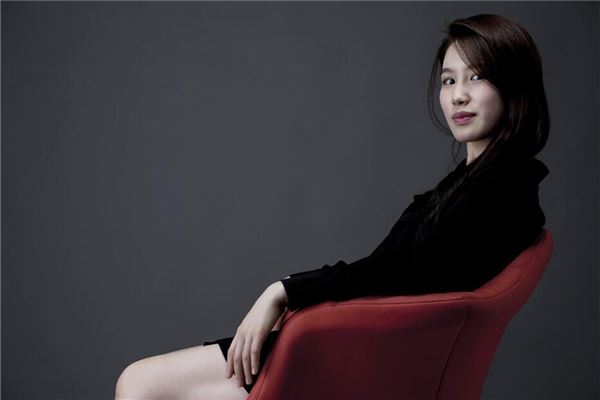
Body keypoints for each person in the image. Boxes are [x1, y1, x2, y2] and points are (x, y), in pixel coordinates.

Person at [114, 13, 550, 400]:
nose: (458, 96)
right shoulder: (478, 183)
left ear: (514, 85)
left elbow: (403, 272)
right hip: (351, 349)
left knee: (140, 384)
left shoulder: (501, 192)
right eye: (449, 80)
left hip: (355, 362)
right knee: (143, 383)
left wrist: (285, 291)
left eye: (477, 77)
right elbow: (401, 272)